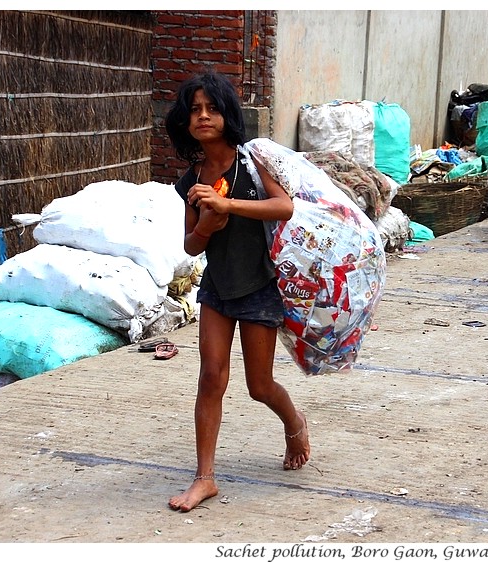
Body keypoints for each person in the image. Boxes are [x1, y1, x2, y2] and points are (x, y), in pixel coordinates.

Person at [164, 70, 310, 513]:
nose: (203, 117)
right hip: (218, 288)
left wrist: (227, 205)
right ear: (184, 122)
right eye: (194, 110)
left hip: (260, 285)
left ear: (228, 114)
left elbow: (283, 206)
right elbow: (191, 245)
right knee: (211, 377)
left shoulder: (252, 161)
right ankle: (204, 478)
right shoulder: (190, 179)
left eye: (212, 109)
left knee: (259, 385)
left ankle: (294, 421)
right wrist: (208, 222)